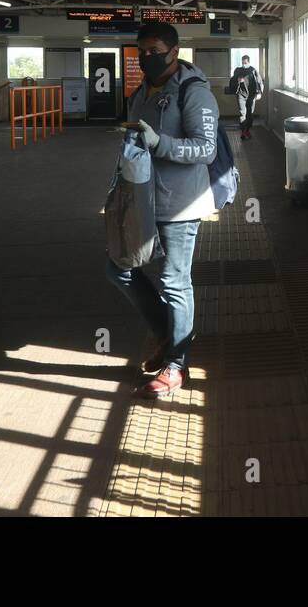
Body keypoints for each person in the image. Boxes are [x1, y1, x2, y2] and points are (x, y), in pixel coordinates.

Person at [106, 21, 218, 398]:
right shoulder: (143, 91)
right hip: (142, 197)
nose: (146, 58)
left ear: (174, 51)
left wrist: (159, 143)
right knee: (119, 267)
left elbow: (206, 149)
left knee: (174, 280)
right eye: (142, 51)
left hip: (180, 201)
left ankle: (176, 365)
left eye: (154, 51)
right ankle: (164, 329)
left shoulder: (194, 91)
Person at [231, 54, 263, 140]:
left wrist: (259, 92)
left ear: (248, 62)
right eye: (242, 62)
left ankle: (247, 129)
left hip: (251, 96)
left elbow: (259, 82)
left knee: (250, 113)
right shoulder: (238, 70)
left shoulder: (253, 70)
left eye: (245, 62)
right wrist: (238, 80)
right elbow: (232, 80)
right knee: (242, 113)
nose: (244, 64)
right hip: (241, 95)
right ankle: (243, 132)